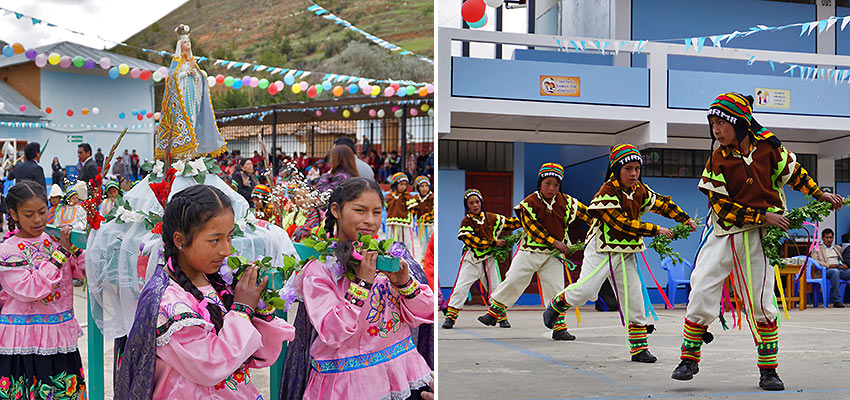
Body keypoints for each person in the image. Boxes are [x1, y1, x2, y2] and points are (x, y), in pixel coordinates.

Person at [670, 93, 844, 390]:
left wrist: (820, 194)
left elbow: (796, 174)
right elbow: (722, 207)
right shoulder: (717, 159)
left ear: (739, 124)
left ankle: (769, 371)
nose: (716, 129)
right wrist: (763, 216)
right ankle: (689, 359)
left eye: (721, 123)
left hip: (756, 240)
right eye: (712, 123)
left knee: (762, 303)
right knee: (700, 290)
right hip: (722, 234)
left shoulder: (769, 149)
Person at [113, 185, 294, 399]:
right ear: (180, 240)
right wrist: (243, 310)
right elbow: (210, 365)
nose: (225, 250)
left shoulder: (217, 282)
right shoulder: (168, 301)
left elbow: (260, 355)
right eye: (214, 240)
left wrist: (259, 310)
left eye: (229, 237)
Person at [281, 177, 433, 399]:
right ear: (336, 210)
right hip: (350, 385)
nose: (370, 221)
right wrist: (362, 284)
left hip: (402, 374)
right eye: (360, 210)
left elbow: (425, 312)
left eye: (376, 212)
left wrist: (404, 283)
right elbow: (331, 331)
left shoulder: (391, 256)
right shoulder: (321, 270)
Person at [543, 145, 695, 361]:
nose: (634, 174)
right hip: (602, 248)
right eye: (628, 169)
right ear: (616, 170)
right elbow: (620, 224)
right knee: (586, 290)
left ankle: (639, 349)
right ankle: (558, 303)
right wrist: (656, 230)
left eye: (637, 169)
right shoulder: (607, 192)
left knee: (634, 299)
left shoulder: (639, 189)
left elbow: (660, 203)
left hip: (627, 251)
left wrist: (684, 218)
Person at [478, 163, 595, 340]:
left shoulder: (568, 202)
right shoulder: (529, 203)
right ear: (540, 182)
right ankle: (494, 312)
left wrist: (603, 222)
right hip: (529, 251)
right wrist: (554, 242)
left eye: (556, 185)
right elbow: (532, 229)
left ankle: (559, 328)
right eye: (548, 183)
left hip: (554, 256)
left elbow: (589, 215)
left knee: (555, 289)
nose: (551, 188)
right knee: (514, 279)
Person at [0, 180, 86, 398]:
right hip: (24, 341)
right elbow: (29, 288)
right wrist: (60, 255)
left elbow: (85, 271)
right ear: (14, 214)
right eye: (29, 214)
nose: (38, 219)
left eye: (42, 211)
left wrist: (76, 246)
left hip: (59, 338)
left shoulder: (54, 241)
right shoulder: (7, 251)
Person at [443, 189, 521, 329]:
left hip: (489, 259)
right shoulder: (466, 221)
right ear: (467, 206)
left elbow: (510, 223)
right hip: (471, 259)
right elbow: (470, 240)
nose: (475, 205)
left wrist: (526, 219)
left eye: (477, 202)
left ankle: (502, 317)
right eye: (471, 203)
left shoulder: (492, 217)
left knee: (497, 288)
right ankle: (450, 317)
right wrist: (493, 243)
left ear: (481, 202)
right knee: (461, 287)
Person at [155, 24, 226, 160]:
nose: (188, 44)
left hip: (193, 99)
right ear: (180, 45)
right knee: (184, 124)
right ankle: (182, 152)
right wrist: (186, 72)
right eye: (185, 42)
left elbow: (200, 79)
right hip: (182, 101)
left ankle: (193, 151)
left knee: (193, 122)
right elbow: (172, 79)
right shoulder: (177, 62)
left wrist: (195, 74)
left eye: (189, 42)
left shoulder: (192, 61)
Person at [811, 228, 850, 308]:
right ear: (822, 238)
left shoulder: (837, 248)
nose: (829, 240)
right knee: (835, 272)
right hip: (826, 271)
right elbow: (814, 261)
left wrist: (844, 265)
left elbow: (844, 259)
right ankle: (837, 301)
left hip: (840, 269)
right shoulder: (817, 248)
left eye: (831, 237)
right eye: (827, 237)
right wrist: (828, 265)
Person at [386, 172, 418, 257]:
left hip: (405, 225)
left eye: (405, 184)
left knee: (406, 244)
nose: (403, 187)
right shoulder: (389, 196)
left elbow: (414, 210)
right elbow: (386, 208)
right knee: (391, 243)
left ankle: (408, 263)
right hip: (391, 223)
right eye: (401, 184)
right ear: (395, 184)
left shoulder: (408, 197)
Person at [414, 176, 434, 256]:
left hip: (431, 225)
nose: (424, 188)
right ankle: (424, 262)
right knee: (423, 245)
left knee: (432, 244)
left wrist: (426, 217)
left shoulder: (433, 197)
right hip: (421, 226)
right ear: (418, 188)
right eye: (422, 186)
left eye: (426, 186)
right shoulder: (415, 198)